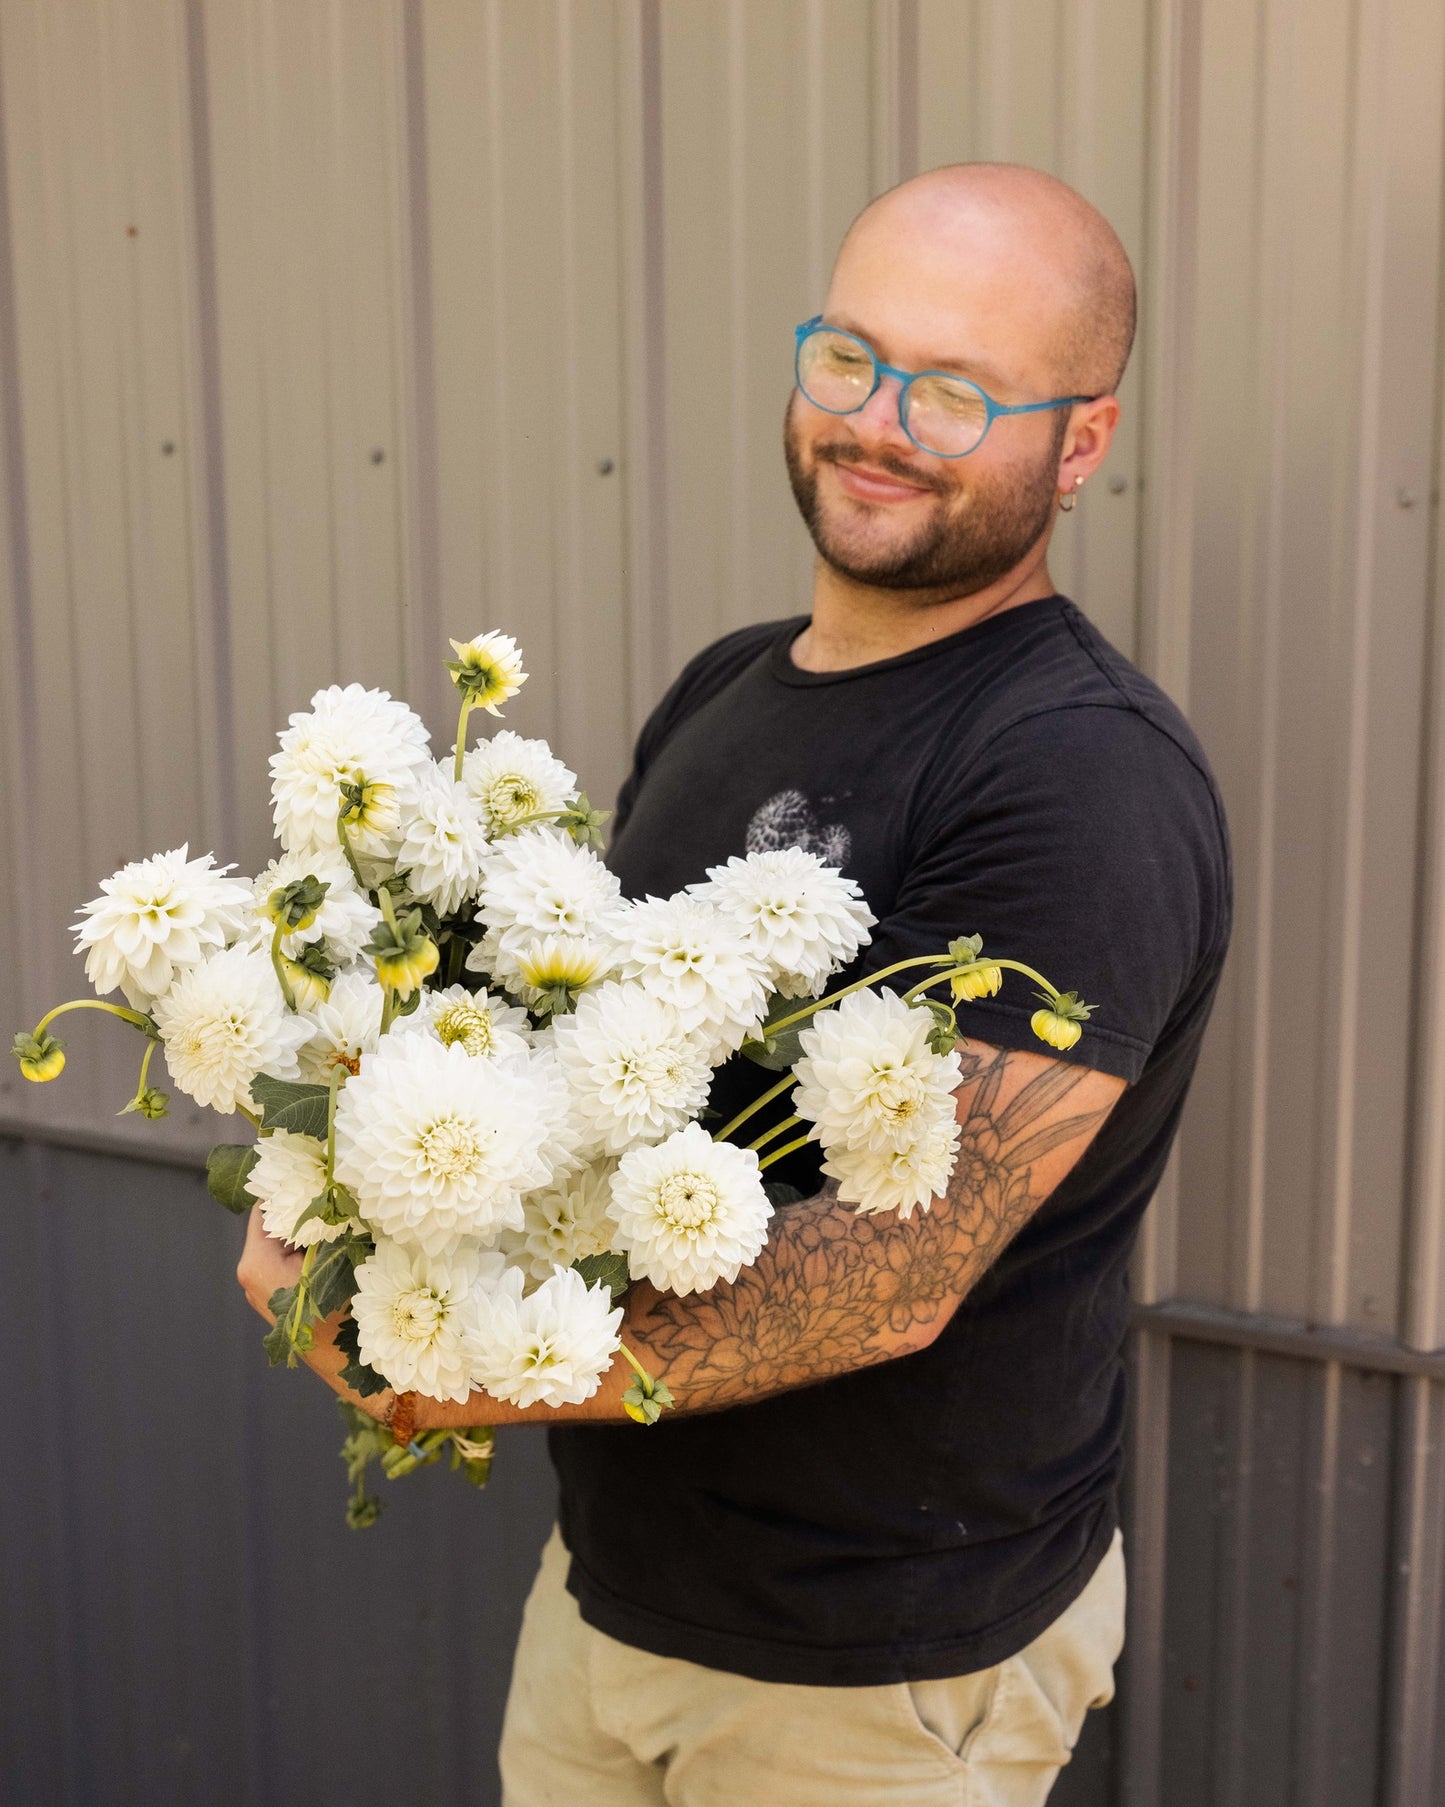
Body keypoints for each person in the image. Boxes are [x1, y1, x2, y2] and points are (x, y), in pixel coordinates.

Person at [239, 161, 1231, 1805]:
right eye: (850, 356)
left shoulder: (1073, 776)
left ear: (1081, 442)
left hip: (873, 1672)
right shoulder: (731, 683)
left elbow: (895, 1269)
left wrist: (434, 1367)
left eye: (962, 390)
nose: (882, 419)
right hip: (622, 1593)